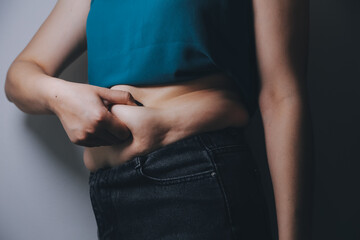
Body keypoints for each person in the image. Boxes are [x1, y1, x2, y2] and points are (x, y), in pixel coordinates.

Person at [4, 0, 314, 239]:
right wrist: (63, 99)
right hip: (109, 195)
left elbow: (282, 96)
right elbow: (19, 76)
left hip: (196, 179)